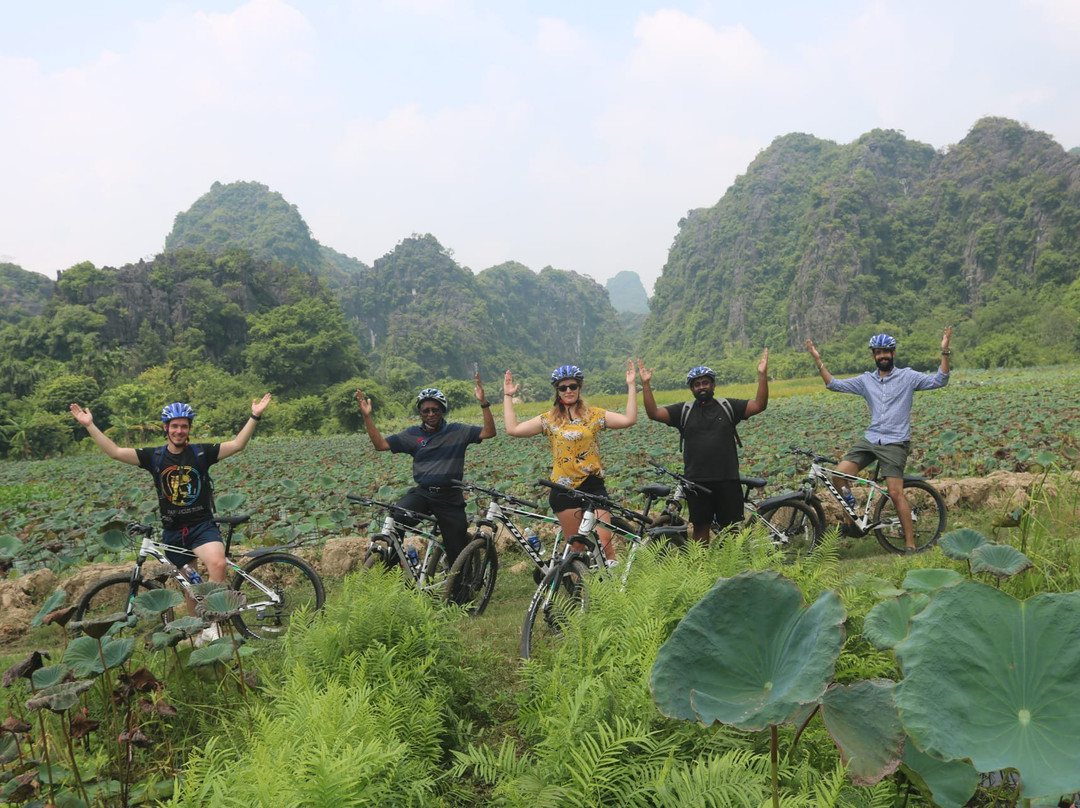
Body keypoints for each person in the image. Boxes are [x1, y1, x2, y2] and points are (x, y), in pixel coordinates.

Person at [70, 394, 272, 642]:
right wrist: (89, 425)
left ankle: (214, 625)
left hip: (201, 527)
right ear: (166, 428)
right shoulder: (153, 457)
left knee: (217, 564)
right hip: (174, 532)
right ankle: (199, 633)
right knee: (189, 584)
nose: (179, 431)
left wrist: (255, 415)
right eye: (174, 426)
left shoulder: (201, 453)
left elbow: (237, 444)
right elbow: (114, 452)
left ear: (189, 429)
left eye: (184, 426)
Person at [805, 328, 952, 552]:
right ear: (873, 356)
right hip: (871, 439)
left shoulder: (908, 377)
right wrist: (818, 360)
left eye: (886, 352)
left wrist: (944, 350)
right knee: (839, 476)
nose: (882, 356)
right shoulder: (866, 381)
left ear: (893, 354)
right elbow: (833, 384)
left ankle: (910, 545)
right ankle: (851, 519)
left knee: (894, 492)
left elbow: (940, 380)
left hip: (895, 442)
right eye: (878, 352)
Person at [356, 373, 495, 571]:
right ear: (420, 413)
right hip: (423, 493)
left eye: (435, 409)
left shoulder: (458, 431)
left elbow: (489, 432)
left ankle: (461, 591)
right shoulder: (412, 435)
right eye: (425, 410)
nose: (430, 414)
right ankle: (395, 572)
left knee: (456, 548)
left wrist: (484, 403)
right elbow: (380, 444)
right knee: (397, 518)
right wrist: (367, 416)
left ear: (442, 410)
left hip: (449, 496)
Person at [502, 361, 637, 564]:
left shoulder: (594, 415)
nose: (568, 391)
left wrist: (632, 385)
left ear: (579, 388)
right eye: (563, 388)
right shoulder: (548, 420)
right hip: (563, 489)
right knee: (576, 548)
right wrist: (508, 396)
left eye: (572, 386)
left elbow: (629, 420)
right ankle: (578, 591)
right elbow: (513, 429)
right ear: (557, 391)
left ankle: (612, 589)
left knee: (605, 541)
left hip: (593, 486)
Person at [639, 352, 769, 543]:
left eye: (705, 382)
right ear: (692, 388)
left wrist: (763, 376)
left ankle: (732, 567)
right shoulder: (684, 411)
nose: (702, 387)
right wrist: (646, 385)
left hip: (727, 479)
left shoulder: (728, 407)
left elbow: (759, 405)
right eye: (697, 384)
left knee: (731, 529)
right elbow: (654, 413)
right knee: (700, 529)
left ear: (713, 385)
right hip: (697, 482)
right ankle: (702, 569)